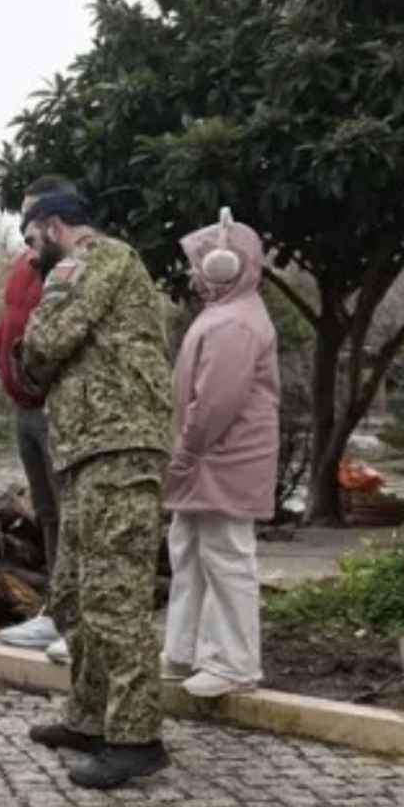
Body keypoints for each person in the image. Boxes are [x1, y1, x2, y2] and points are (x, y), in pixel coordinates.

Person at [14, 190, 175, 789]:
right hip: (86, 449)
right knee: (76, 592)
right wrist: (28, 354)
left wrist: (31, 343)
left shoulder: (99, 257)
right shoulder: (74, 266)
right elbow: (32, 366)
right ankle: (89, 718)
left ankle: (136, 738)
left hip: (120, 444)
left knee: (114, 593)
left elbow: (44, 347)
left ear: (55, 226)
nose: (29, 254)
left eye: (32, 240)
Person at [0, 176, 80, 651]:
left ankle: (80, 621)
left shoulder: (73, 267)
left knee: (75, 514)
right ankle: (57, 611)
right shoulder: (23, 265)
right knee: (48, 514)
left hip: (59, 406)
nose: (28, 230)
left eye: (36, 219)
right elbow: (11, 324)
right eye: (24, 221)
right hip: (23, 409)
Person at [163, 209, 279, 698]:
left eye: (199, 261)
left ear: (224, 264)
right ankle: (184, 650)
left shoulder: (235, 323)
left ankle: (235, 663)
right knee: (188, 550)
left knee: (226, 557)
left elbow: (215, 403)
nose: (192, 271)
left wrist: (185, 453)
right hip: (209, 460)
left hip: (222, 461)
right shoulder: (226, 314)